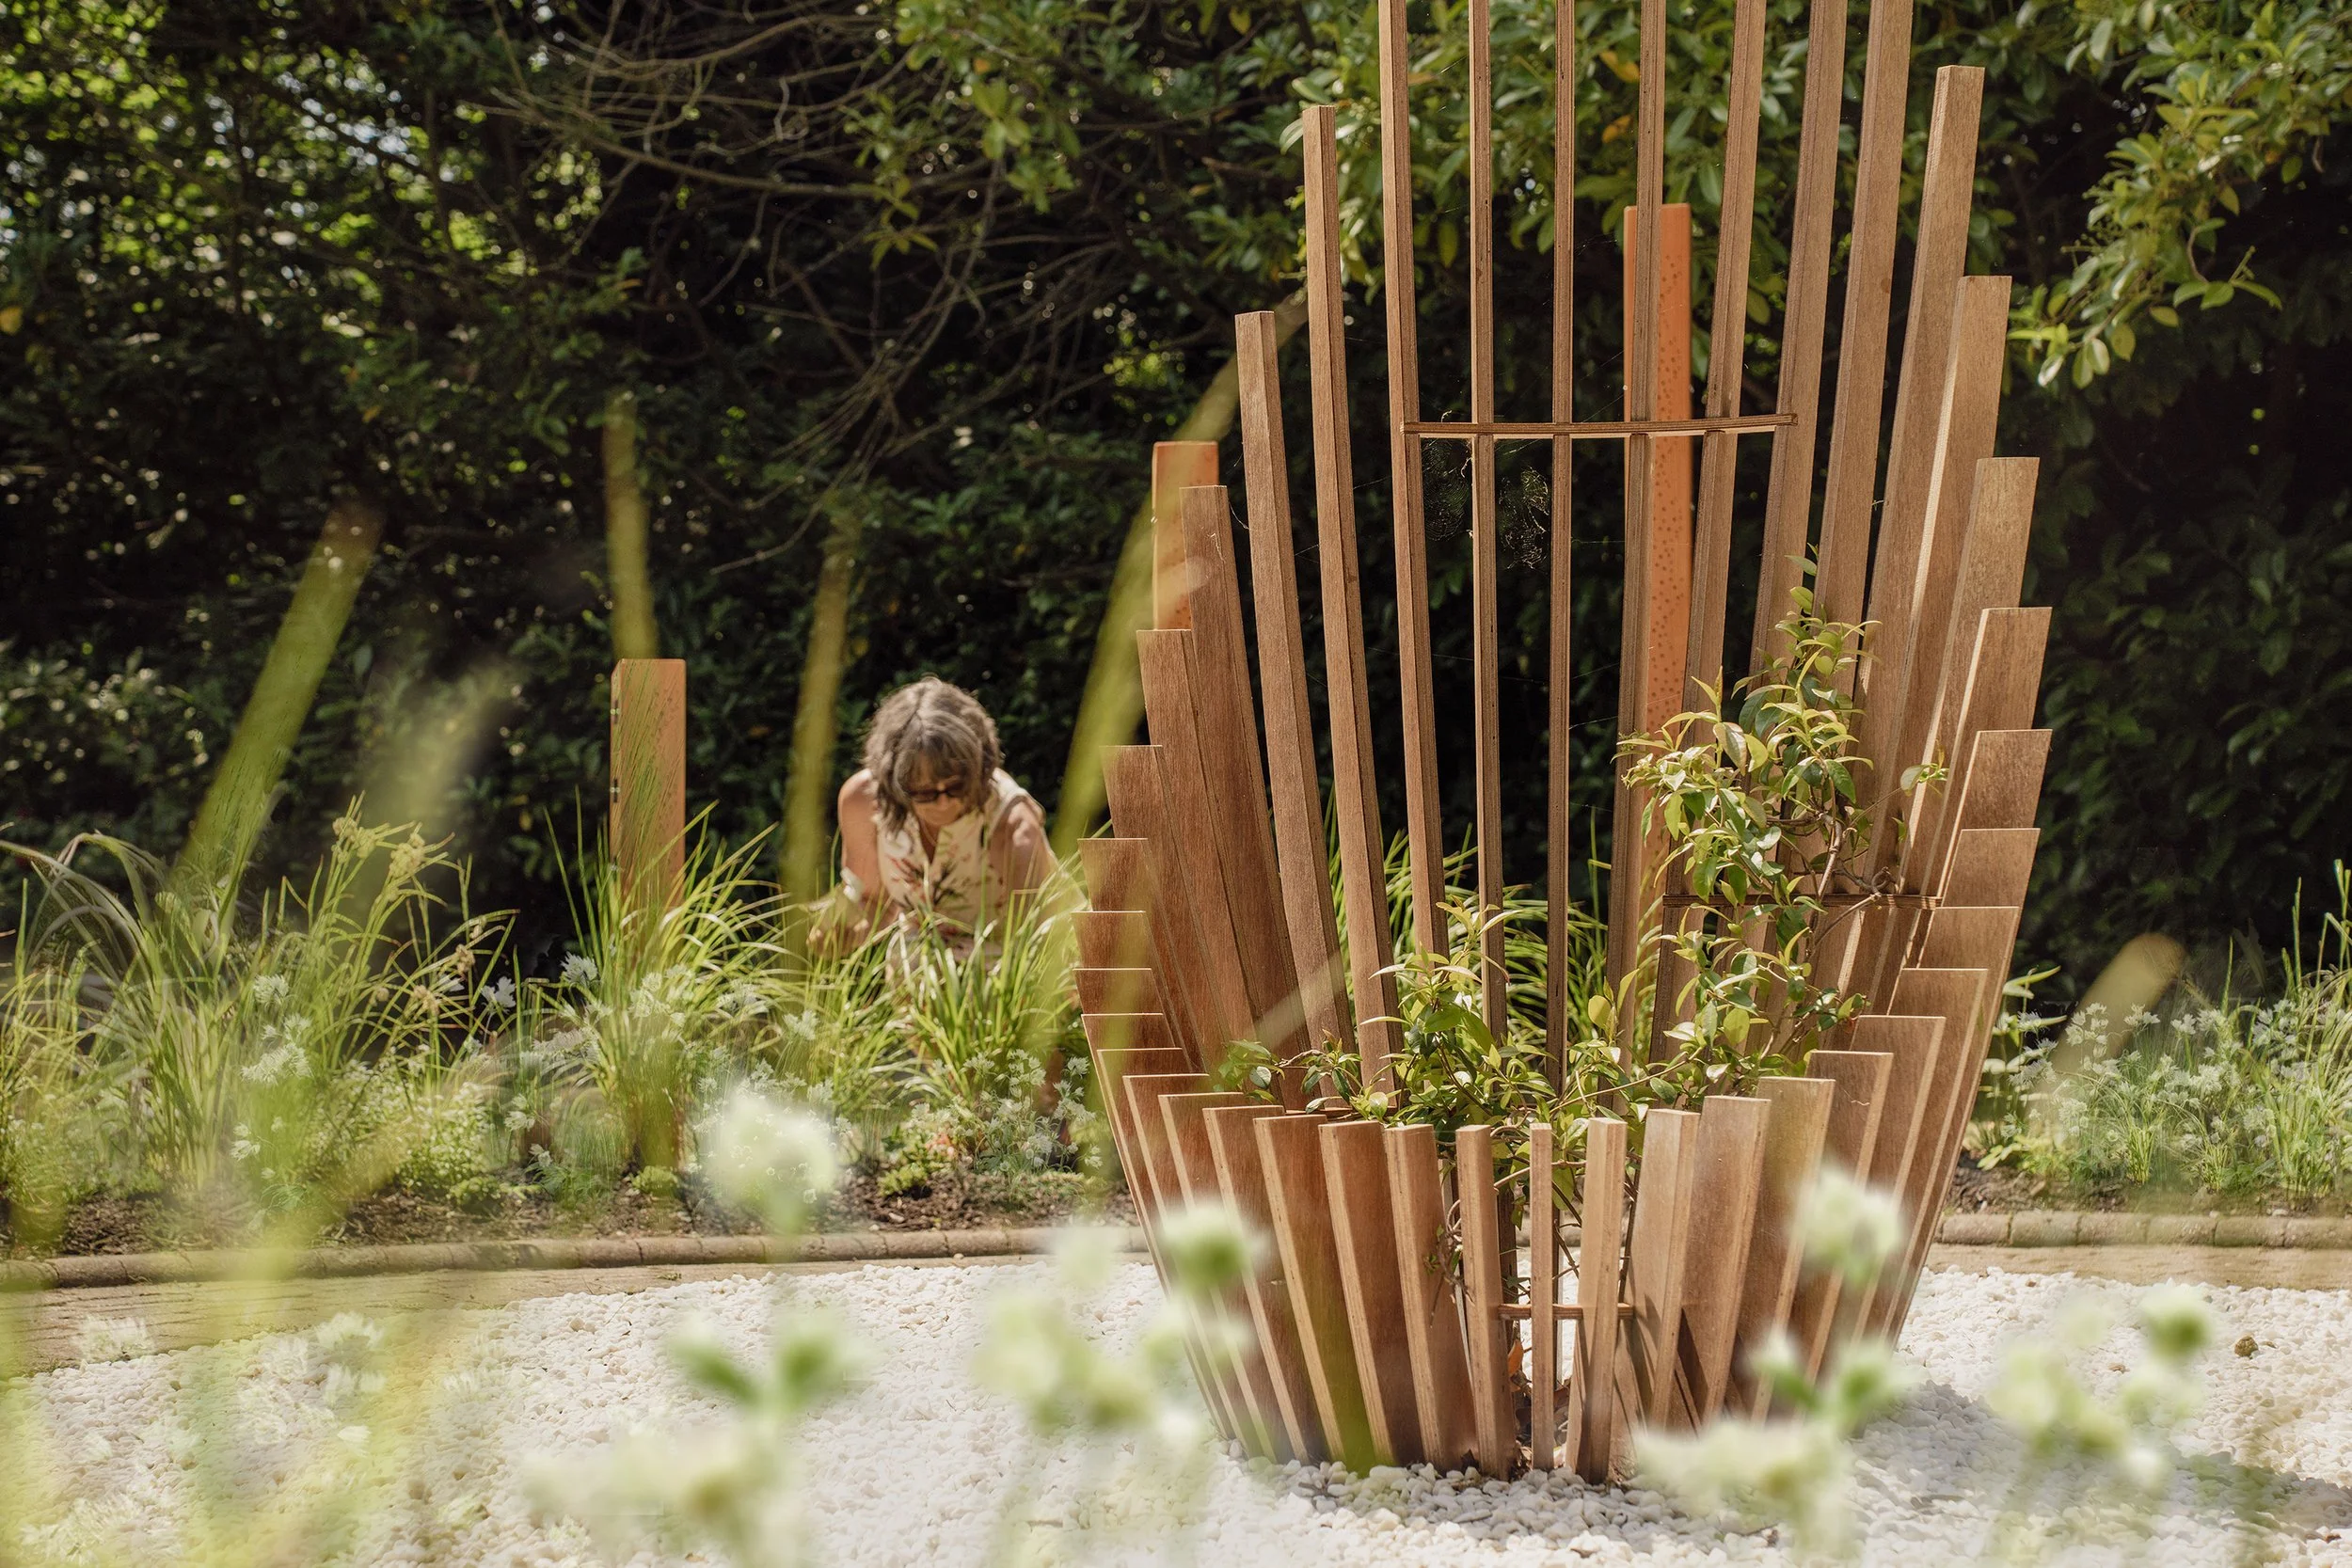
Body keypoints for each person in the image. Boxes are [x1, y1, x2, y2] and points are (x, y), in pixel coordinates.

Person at [829, 676, 1055, 956]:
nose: (943, 801)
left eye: (956, 785)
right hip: (917, 982)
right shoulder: (863, 801)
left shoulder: (1011, 823)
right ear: (893, 780)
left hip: (1005, 977)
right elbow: (875, 903)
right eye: (925, 792)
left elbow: (1041, 941)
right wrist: (840, 932)